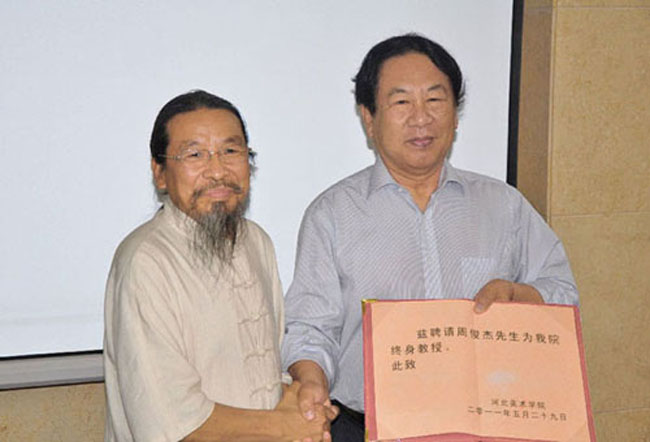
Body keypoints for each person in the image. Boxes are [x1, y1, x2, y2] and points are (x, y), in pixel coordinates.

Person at [281, 34, 579, 441]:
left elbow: (564, 295)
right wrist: (311, 381)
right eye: (402, 102)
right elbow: (310, 329)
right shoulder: (332, 214)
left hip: (489, 425)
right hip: (366, 428)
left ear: (455, 115)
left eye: (436, 100)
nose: (421, 118)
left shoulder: (504, 206)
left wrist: (519, 294)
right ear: (369, 118)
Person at [103, 90, 336, 441]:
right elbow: (169, 421)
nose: (217, 171)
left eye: (230, 151)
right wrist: (285, 426)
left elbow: (266, 377)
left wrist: (303, 403)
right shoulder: (145, 261)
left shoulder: (256, 241)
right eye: (195, 154)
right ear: (160, 173)